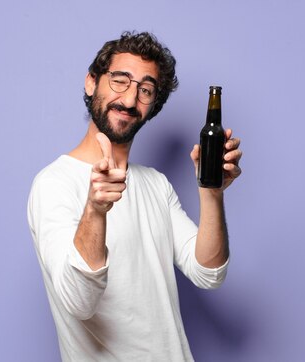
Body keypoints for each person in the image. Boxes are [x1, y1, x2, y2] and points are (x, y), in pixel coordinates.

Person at [27, 31, 242, 361]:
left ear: (153, 105)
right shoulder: (53, 183)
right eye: (119, 81)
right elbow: (78, 303)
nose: (129, 100)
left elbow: (209, 273)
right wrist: (96, 209)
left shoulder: (155, 184)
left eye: (145, 90)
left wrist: (211, 191)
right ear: (91, 83)